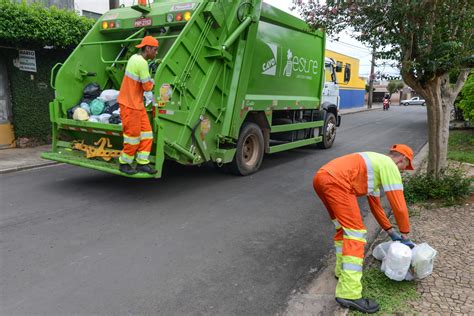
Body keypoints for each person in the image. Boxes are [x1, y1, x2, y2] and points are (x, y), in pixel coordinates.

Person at [312, 144, 416, 314]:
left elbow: (376, 208)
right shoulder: (389, 166)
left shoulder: (374, 169)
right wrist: (405, 233)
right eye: (406, 166)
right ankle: (350, 293)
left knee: (343, 228)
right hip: (337, 181)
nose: (404, 171)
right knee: (356, 234)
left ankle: (342, 272)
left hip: (322, 177)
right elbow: (399, 205)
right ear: (402, 159)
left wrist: (391, 232)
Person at [117, 35, 159, 175]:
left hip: (136, 104)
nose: (156, 53)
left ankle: (142, 163)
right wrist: (155, 81)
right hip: (130, 105)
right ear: (147, 48)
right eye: (155, 50)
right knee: (133, 137)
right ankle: (124, 163)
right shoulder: (141, 63)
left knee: (147, 134)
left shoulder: (134, 58)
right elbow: (147, 87)